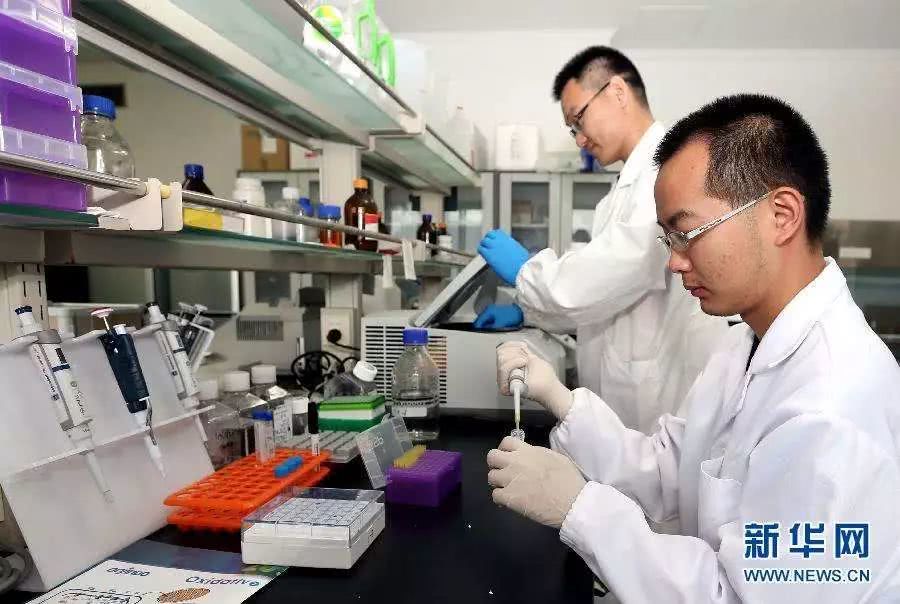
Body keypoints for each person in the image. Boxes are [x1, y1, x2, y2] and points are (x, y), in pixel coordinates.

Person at [487, 94, 900, 602]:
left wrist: (580, 508)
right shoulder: (744, 344)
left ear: (782, 215)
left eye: (687, 233)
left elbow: (736, 596)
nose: (675, 262)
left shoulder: (833, 408)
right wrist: (561, 399)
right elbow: (670, 470)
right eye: (668, 240)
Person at [475, 47, 727, 432]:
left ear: (617, 92)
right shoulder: (624, 188)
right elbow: (607, 299)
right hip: (627, 399)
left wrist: (527, 273)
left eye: (578, 119)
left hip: (654, 404)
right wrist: (528, 313)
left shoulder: (664, 172)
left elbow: (614, 269)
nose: (579, 139)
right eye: (571, 129)